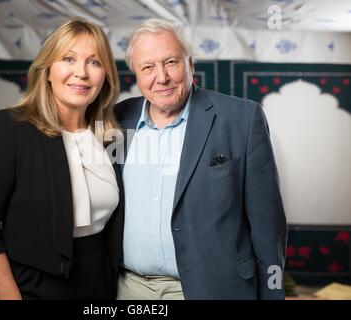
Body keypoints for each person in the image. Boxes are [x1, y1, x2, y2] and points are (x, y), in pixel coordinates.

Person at [114, 18, 287, 300]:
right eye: (147, 67)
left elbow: (269, 227)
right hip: (128, 290)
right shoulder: (116, 122)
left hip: (212, 290)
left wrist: (273, 293)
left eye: (171, 62)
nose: (162, 77)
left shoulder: (242, 119)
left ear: (190, 63)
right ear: (135, 74)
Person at [0, 17, 124, 300]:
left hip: (98, 286)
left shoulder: (110, 137)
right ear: (47, 70)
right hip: (27, 286)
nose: (82, 73)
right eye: (69, 59)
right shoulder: (11, 127)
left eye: (94, 62)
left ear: (106, 75)